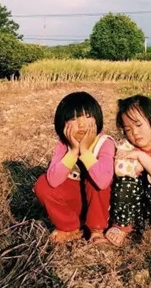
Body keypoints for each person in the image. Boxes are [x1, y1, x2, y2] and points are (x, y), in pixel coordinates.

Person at [34, 91, 115, 243]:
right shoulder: (63, 145)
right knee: (42, 184)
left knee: (95, 177)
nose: (82, 124)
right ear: (63, 124)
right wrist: (73, 151)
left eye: (88, 116)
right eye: (73, 118)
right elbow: (53, 180)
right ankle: (70, 226)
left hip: (100, 204)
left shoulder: (105, 143)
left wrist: (84, 151)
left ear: (98, 118)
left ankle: (96, 229)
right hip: (76, 201)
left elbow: (103, 181)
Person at [105, 94, 151, 252]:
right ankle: (122, 226)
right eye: (128, 130)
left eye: (138, 125)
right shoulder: (125, 146)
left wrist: (139, 156)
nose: (135, 133)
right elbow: (120, 170)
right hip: (130, 206)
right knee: (125, 182)